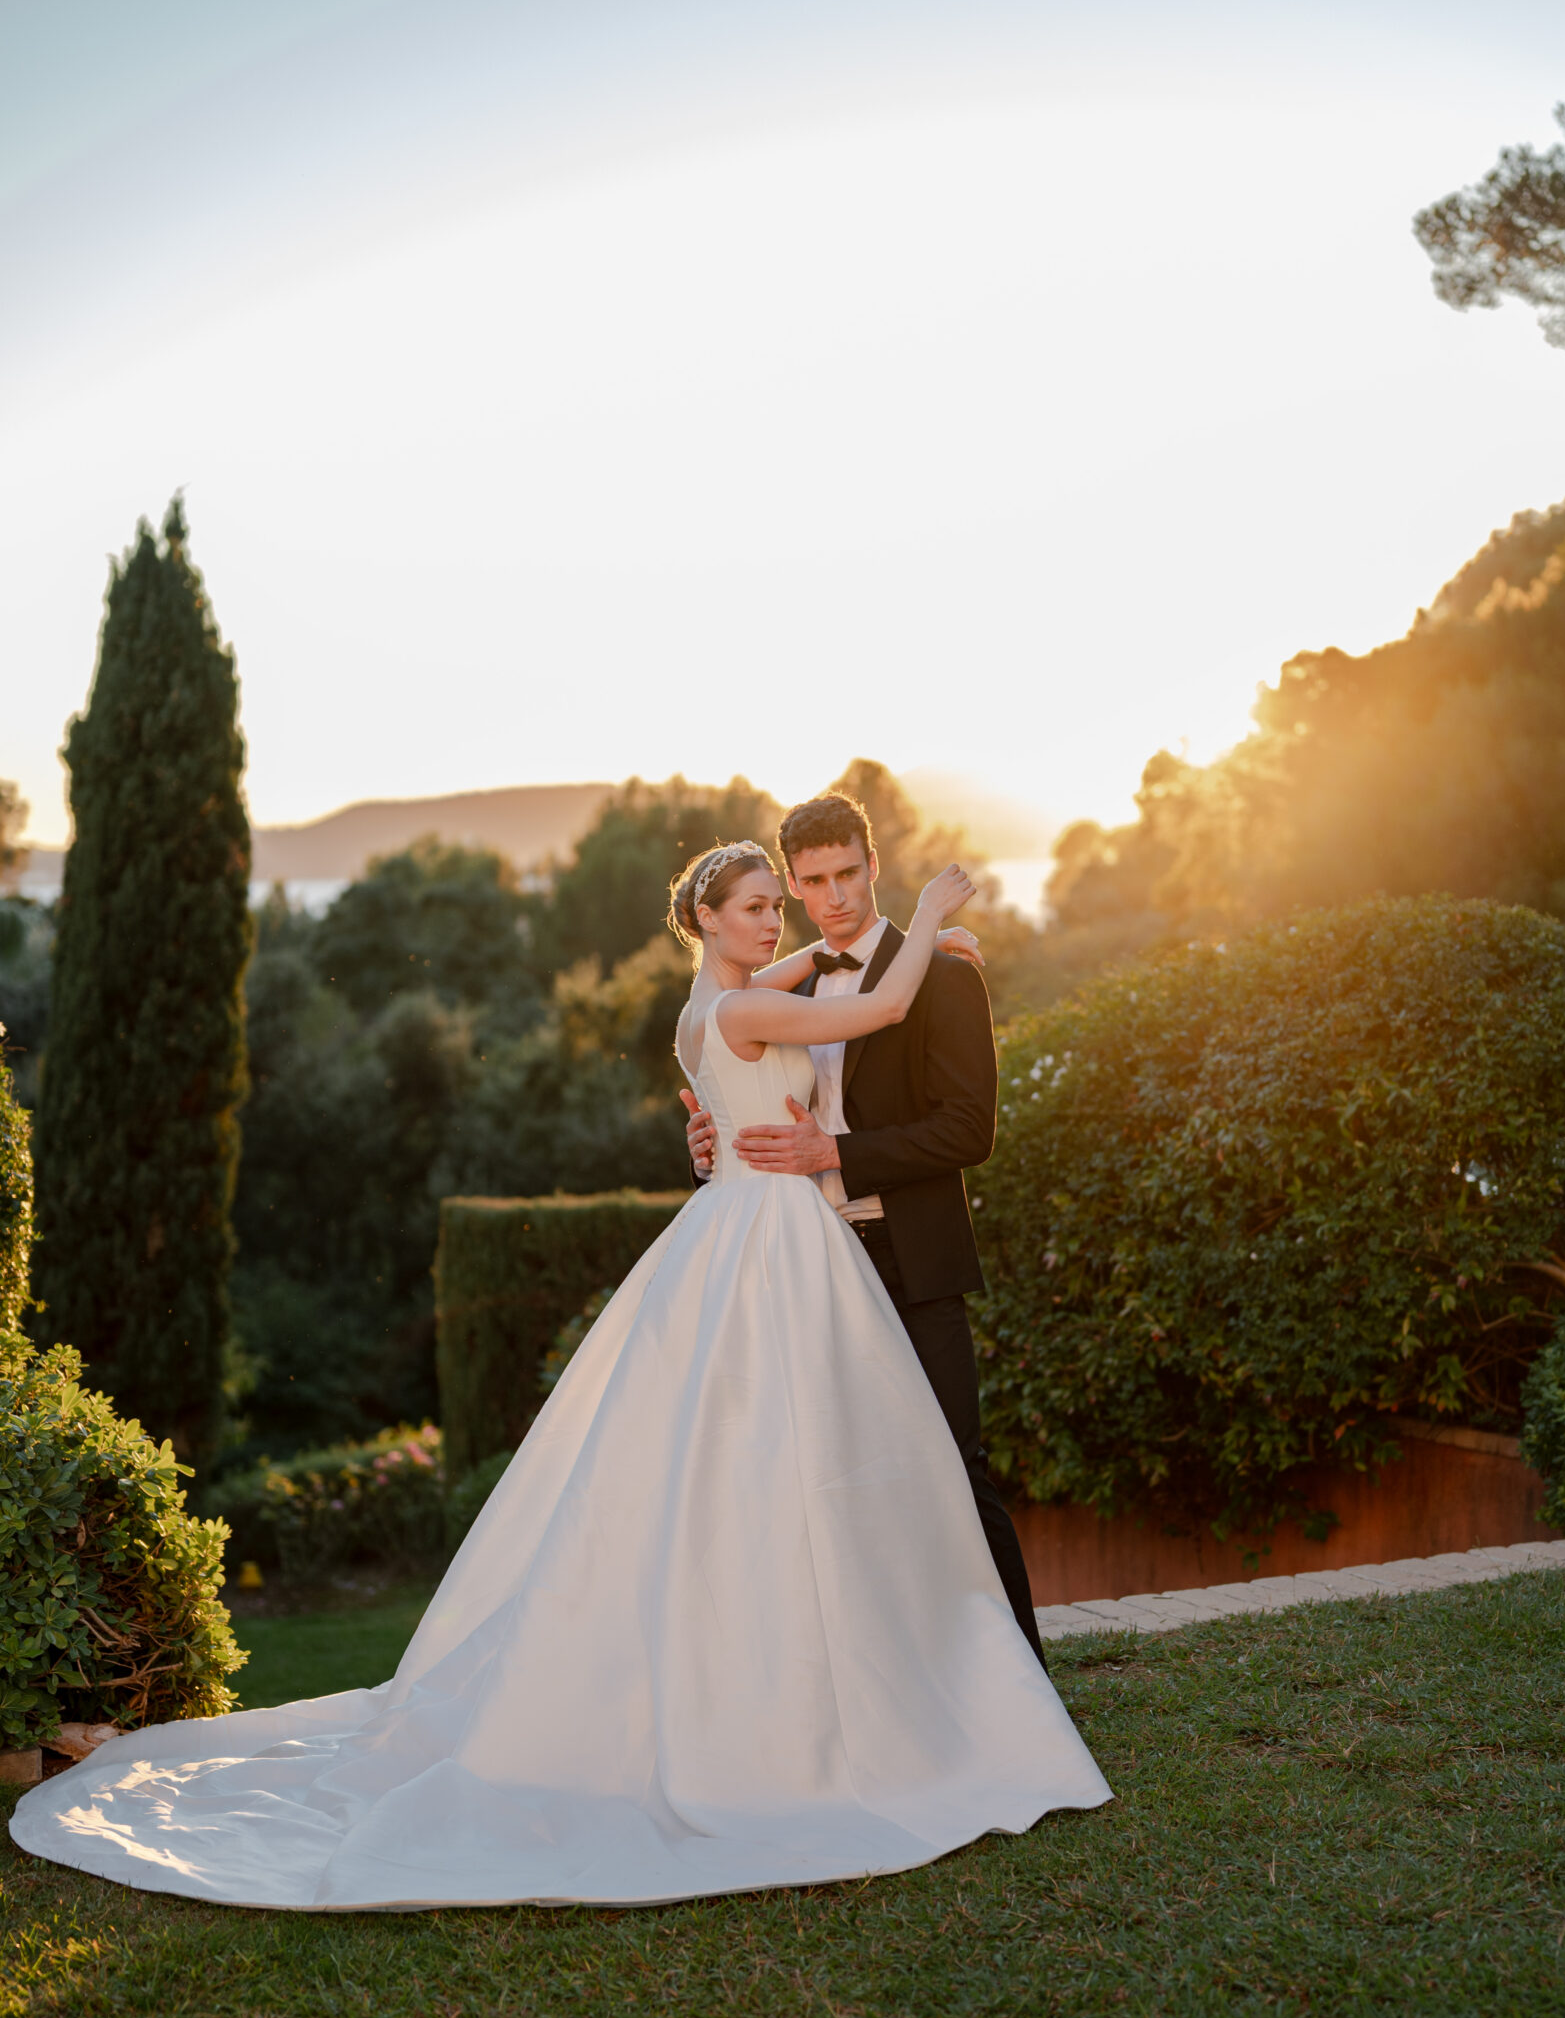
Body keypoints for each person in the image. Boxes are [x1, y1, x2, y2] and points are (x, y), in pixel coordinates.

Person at [11, 841, 1109, 1912]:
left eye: (790, 899)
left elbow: (820, 978)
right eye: (759, 904)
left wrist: (893, 948)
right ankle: (812, 1713)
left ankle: (903, 1690)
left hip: (776, 1243)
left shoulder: (721, 1002)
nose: (780, 918)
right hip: (775, 1247)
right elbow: (865, 1009)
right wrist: (931, 915)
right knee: (784, 1469)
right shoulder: (733, 1011)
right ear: (707, 923)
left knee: (820, 1470)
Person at [682, 791, 1044, 1662]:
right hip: (811, 1262)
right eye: (812, 882)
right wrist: (707, 1144)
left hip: (912, 1259)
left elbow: (969, 1132)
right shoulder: (786, 982)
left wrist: (832, 1153)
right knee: (842, 1485)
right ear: (797, 888)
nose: (834, 895)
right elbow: (732, 1079)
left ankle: (1022, 1677)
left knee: (956, 1474)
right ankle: (899, 1676)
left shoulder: (945, 975)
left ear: (873, 866)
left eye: (848, 873)